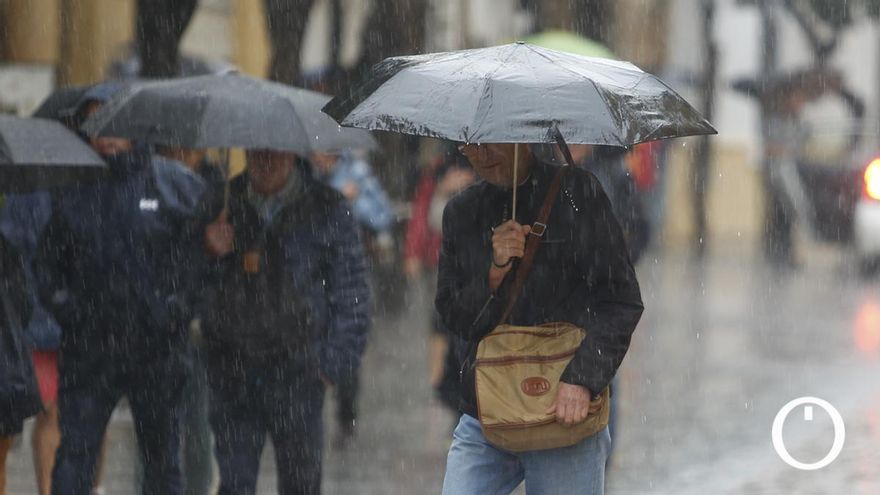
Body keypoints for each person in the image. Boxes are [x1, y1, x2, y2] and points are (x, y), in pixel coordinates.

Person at [436, 142, 643, 494]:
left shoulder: (578, 194)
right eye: (471, 147)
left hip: (564, 414)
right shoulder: (461, 211)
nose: (482, 156)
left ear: (519, 136)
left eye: (491, 144)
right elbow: (454, 315)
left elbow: (620, 300)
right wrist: (494, 272)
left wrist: (583, 379)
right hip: (486, 412)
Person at [34, 83, 210, 495]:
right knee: (75, 455)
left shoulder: (176, 187)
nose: (107, 130)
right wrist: (70, 310)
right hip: (89, 351)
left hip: (157, 351)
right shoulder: (72, 190)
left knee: (162, 460)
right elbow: (47, 265)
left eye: (115, 118)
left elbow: (198, 264)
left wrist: (175, 309)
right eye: (96, 120)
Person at [202, 148, 370, 493]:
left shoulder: (328, 207)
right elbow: (188, 283)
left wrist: (332, 365)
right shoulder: (220, 203)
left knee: (301, 483)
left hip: (300, 373)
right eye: (258, 151)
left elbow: (352, 290)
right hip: (232, 373)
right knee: (234, 482)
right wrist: (208, 253)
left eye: (276, 151)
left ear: (293, 153)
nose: (266, 160)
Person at [310, 149, 392, 443]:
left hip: (349, 268)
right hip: (312, 276)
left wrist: (352, 200)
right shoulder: (305, 177)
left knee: (347, 340)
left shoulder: (357, 172)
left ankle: (346, 414)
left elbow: (383, 215)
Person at [403, 148, 475, 413]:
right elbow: (424, 214)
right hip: (441, 260)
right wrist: (412, 251)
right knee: (440, 321)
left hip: (475, 265)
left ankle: (454, 383)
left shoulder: (487, 170)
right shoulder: (437, 169)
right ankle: (442, 382)